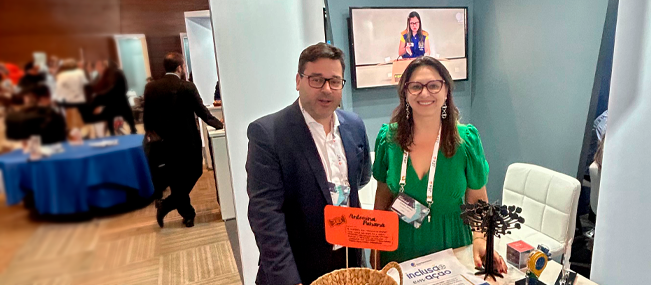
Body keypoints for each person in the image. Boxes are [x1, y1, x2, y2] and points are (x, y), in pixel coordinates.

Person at [246, 43, 372, 285]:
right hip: (298, 270)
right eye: (316, 79)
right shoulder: (268, 134)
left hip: (349, 264)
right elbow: (266, 217)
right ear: (298, 81)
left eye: (335, 81)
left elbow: (360, 179)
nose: (326, 89)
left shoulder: (354, 125)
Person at [371, 56, 506, 272]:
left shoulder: (466, 141)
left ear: (446, 92)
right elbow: (383, 195)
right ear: (405, 93)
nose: (425, 93)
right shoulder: (388, 139)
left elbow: (478, 200)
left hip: (451, 246)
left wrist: (480, 239)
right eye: (416, 86)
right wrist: (375, 247)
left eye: (434, 85)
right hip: (399, 249)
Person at [145, 52, 223, 228]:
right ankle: (175, 208)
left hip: (165, 144)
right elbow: (203, 112)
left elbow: (147, 116)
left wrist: (150, 135)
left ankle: (185, 213)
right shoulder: (187, 87)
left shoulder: (151, 88)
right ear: (180, 67)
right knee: (195, 172)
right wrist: (220, 125)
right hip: (189, 144)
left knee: (176, 180)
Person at [93, 60, 136, 135]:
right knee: (128, 118)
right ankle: (133, 130)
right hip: (121, 100)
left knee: (110, 118)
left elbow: (109, 89)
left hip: (114, 101)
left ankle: (113, 133)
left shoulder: (113, 74)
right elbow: (124, 87)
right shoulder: (118, 73)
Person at [54, 59, 88, 131]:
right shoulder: (80, 72)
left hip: (69, 102)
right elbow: (86, 85)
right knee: (84, 122)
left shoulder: (61, 75)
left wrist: (56, 100)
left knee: (72, 124)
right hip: (81, 101)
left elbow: (58, 90)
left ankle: (74, 133)